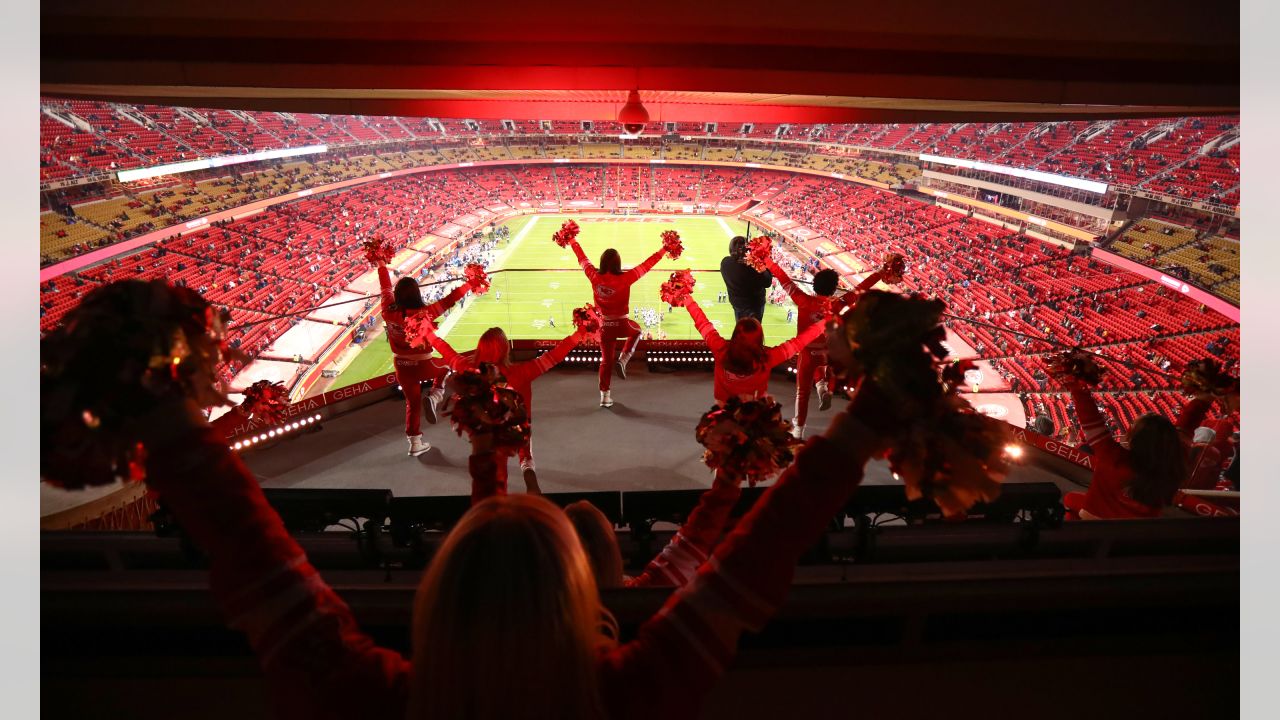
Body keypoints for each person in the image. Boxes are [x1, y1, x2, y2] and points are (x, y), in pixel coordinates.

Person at [129, 367, 892, 720]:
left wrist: (161, 426)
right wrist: (854, 431)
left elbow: (263, 568)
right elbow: (747, 564)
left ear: (446, 587)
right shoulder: (628, 693)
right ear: (579, 592)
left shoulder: (376, 698)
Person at [413, 319, 588, 495]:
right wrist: (580, 333)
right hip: (515, 426)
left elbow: (447, 352)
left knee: (492, 472)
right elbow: (553, 356)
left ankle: (497, 499)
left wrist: (427, 333)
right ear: (505, 349)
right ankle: (528, 469)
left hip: (484, 431)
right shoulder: (521, 373)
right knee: (524, 450)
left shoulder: (467, 369)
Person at [758, 251, 891, 438]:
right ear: (834, 288)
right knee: (821, 367)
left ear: (814, 285)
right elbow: (861, 288)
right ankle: (822, 388)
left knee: (802, 393)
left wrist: (766, 259)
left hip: (806, 352)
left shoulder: (803, 300)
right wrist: (880, 272)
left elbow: (783, 278)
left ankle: (799, 429)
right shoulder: (838, 304)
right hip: (825, 353)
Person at [1055, 376, 1228, 519]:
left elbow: (1090, 418)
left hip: (1095, 528)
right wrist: (1206, 398)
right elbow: (1187, 424)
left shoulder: (1114, 459)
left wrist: (1076, 384)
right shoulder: (1171, 467)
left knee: (1069, 500)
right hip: (1139, 536)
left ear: (1135, 439)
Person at [566, 469, 742, 588]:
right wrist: (731, 470)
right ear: (612, 551)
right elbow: (698, 534)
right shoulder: (649, 591)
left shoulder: (546, 615)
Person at [376, 257, 475, 457]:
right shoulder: (426, 312)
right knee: (446, 368)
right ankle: (435, 396)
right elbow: (449, 300)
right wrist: (470, 284)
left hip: (401, 366)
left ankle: (414, 443)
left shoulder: (388, 311)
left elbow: (385, 288)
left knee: (412, 403)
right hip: (424, 364)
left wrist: (381, 265)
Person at [566, 235, 669, 408]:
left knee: (605, 361)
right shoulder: (626, 278)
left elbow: (582, 259)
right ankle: (624, 358)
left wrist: (572, 241)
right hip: (622, 325)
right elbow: (647, 265)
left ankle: (605, 397)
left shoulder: (594, 276)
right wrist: (664, 250)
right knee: (637, 330)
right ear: (618, 263)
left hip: (603, 327)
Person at [679, 296, 827, 405]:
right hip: (755, 408)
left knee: (724, 440)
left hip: (723, 406)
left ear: (735, 335)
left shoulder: (720, 349)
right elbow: (797, 343)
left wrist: (686, 298)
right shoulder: (767, 359)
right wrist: (824, 323)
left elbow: (702, 323)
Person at [719, 236, 773, 322]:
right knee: (755, 329)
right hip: (755, 304)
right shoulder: (753, 267)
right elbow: (767, 282)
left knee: (741, 327)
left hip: (737, 304)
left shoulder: (725, 263)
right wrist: (760, 261)